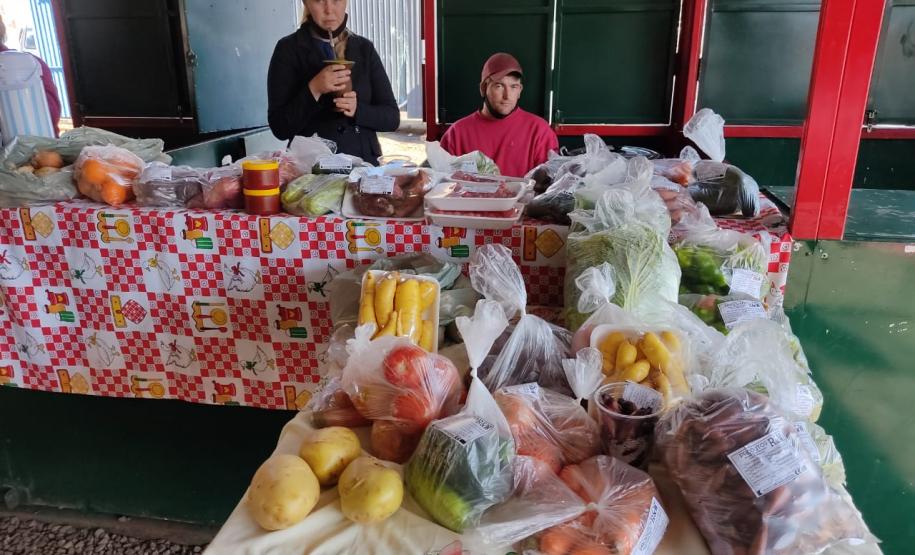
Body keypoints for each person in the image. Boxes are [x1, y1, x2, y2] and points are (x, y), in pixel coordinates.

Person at [268, 0, 399, 164]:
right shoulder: (288, 49)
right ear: (306, 3)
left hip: (363, 168)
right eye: (318, 1)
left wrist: (358, 110)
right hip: (311, 172)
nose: (329, 9)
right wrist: (314, 88)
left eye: (336, 0)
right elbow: (280, 127)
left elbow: (392, 118)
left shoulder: (364, 49)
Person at [440, 53, 557, 177]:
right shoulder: (456, 133)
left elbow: (549, 187)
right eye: (499, 86)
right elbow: (443, 185)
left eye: (513, 87)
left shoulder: (540, 131)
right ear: (483, 88)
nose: (507, 96)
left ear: (520, 91)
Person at [0, 15, 61, 137]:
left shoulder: (27, 64)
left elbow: (49, 113)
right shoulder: (31, 62)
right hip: (42, 150)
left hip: (33, 152)